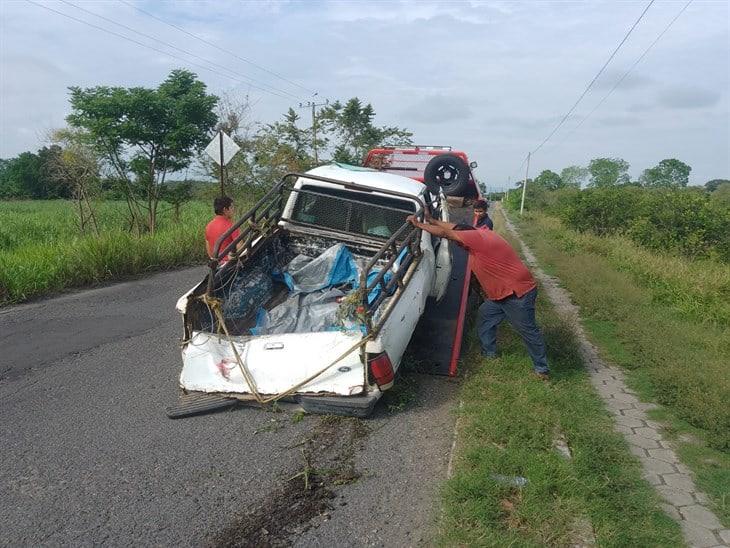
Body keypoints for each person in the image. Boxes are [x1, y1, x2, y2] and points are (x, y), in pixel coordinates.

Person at [406, 211, 549, 380]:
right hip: (501, 294)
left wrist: (419, 225)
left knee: (527, 330)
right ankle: (489, 355)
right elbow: (453, 228)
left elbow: (447, 233)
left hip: (516, 294)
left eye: (458, 242)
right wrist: (432, 220)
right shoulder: (478, 233)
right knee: (486, 317)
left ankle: (542, 369)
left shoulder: (476, 239)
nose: (458, 245)